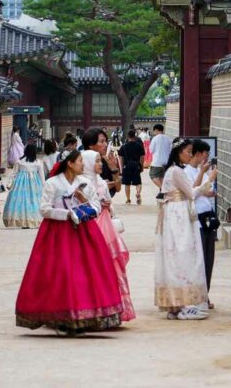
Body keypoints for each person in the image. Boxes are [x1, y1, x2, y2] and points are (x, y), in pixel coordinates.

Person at [15, 151, 123, 335]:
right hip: (57, 233)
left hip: (85, 232)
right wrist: (66, 214)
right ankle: (61, 316)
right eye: (80, 161)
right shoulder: (53, 183)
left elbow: (97, 207)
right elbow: (44, 209)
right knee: (60, 273)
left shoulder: (85, 183)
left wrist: (84, 202)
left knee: (85, 274)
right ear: (70, 164)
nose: (83, 165)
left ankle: (83, 315)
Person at [154, 139, 216, 321]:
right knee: (183, 256)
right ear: (179, 152)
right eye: (188, 151)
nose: (190, 154)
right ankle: (183, 303)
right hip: (178, 215)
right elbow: (191, 193)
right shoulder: (176, 171)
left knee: (177, 258)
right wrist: (208, 181)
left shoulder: (173, 171)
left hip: (176, 213)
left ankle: (176, 304)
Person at [81, 128, 135, 322]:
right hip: (91, 223)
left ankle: (112, 308)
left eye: (105, 141)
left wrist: (113, 168)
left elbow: (117, 187)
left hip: (105, 220)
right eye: (101, 141)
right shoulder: (81, 174)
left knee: (111, 264)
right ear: (90, 145)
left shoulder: (104, 163)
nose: (105, 144)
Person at [184, 139, 218, 308]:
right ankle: (197, 295)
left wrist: (209, 186)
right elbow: (192, 192)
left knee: (209, 258)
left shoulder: (201, 171)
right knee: (199, 259)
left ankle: (205, 294)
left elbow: (207, 190)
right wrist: (207, 177)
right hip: (196, 220)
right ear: (197, 154)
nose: (206, 158)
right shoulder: (186, 172)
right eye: (205, 154)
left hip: (208, 218)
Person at [2, 143, 47, 228]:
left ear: (25, 151)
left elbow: (14, 173)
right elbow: (42, 177)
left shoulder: (19, 161)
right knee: (33, 201)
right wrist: (44, 187)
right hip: (35, 184)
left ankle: (21, 220)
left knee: (21, 201)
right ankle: (32, 219)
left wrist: (9, 183)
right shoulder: (38, 162)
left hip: (20, 184)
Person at [119, 129, 145, 205]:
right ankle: (138, 192)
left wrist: (122, 167)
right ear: (135, 136)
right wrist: (142, 166)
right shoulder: (139, 146)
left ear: (128, 136)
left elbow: (121, 158)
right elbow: (142, 157)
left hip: (127, 166)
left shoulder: (124, 146)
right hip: (136, 165)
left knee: (127, 184)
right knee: (138, 182)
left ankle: (128, 199)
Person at [147, 123, 171, 188]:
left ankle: (162, 189)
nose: (154, 132)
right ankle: (162, 192)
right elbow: (170, 150)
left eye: (154, 131)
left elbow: (151, 150)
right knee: (162, 177)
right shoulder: (168, 139)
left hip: (157, 162)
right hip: (166, 161)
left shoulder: (155, 138)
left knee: (152, 175)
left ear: (157, 130)